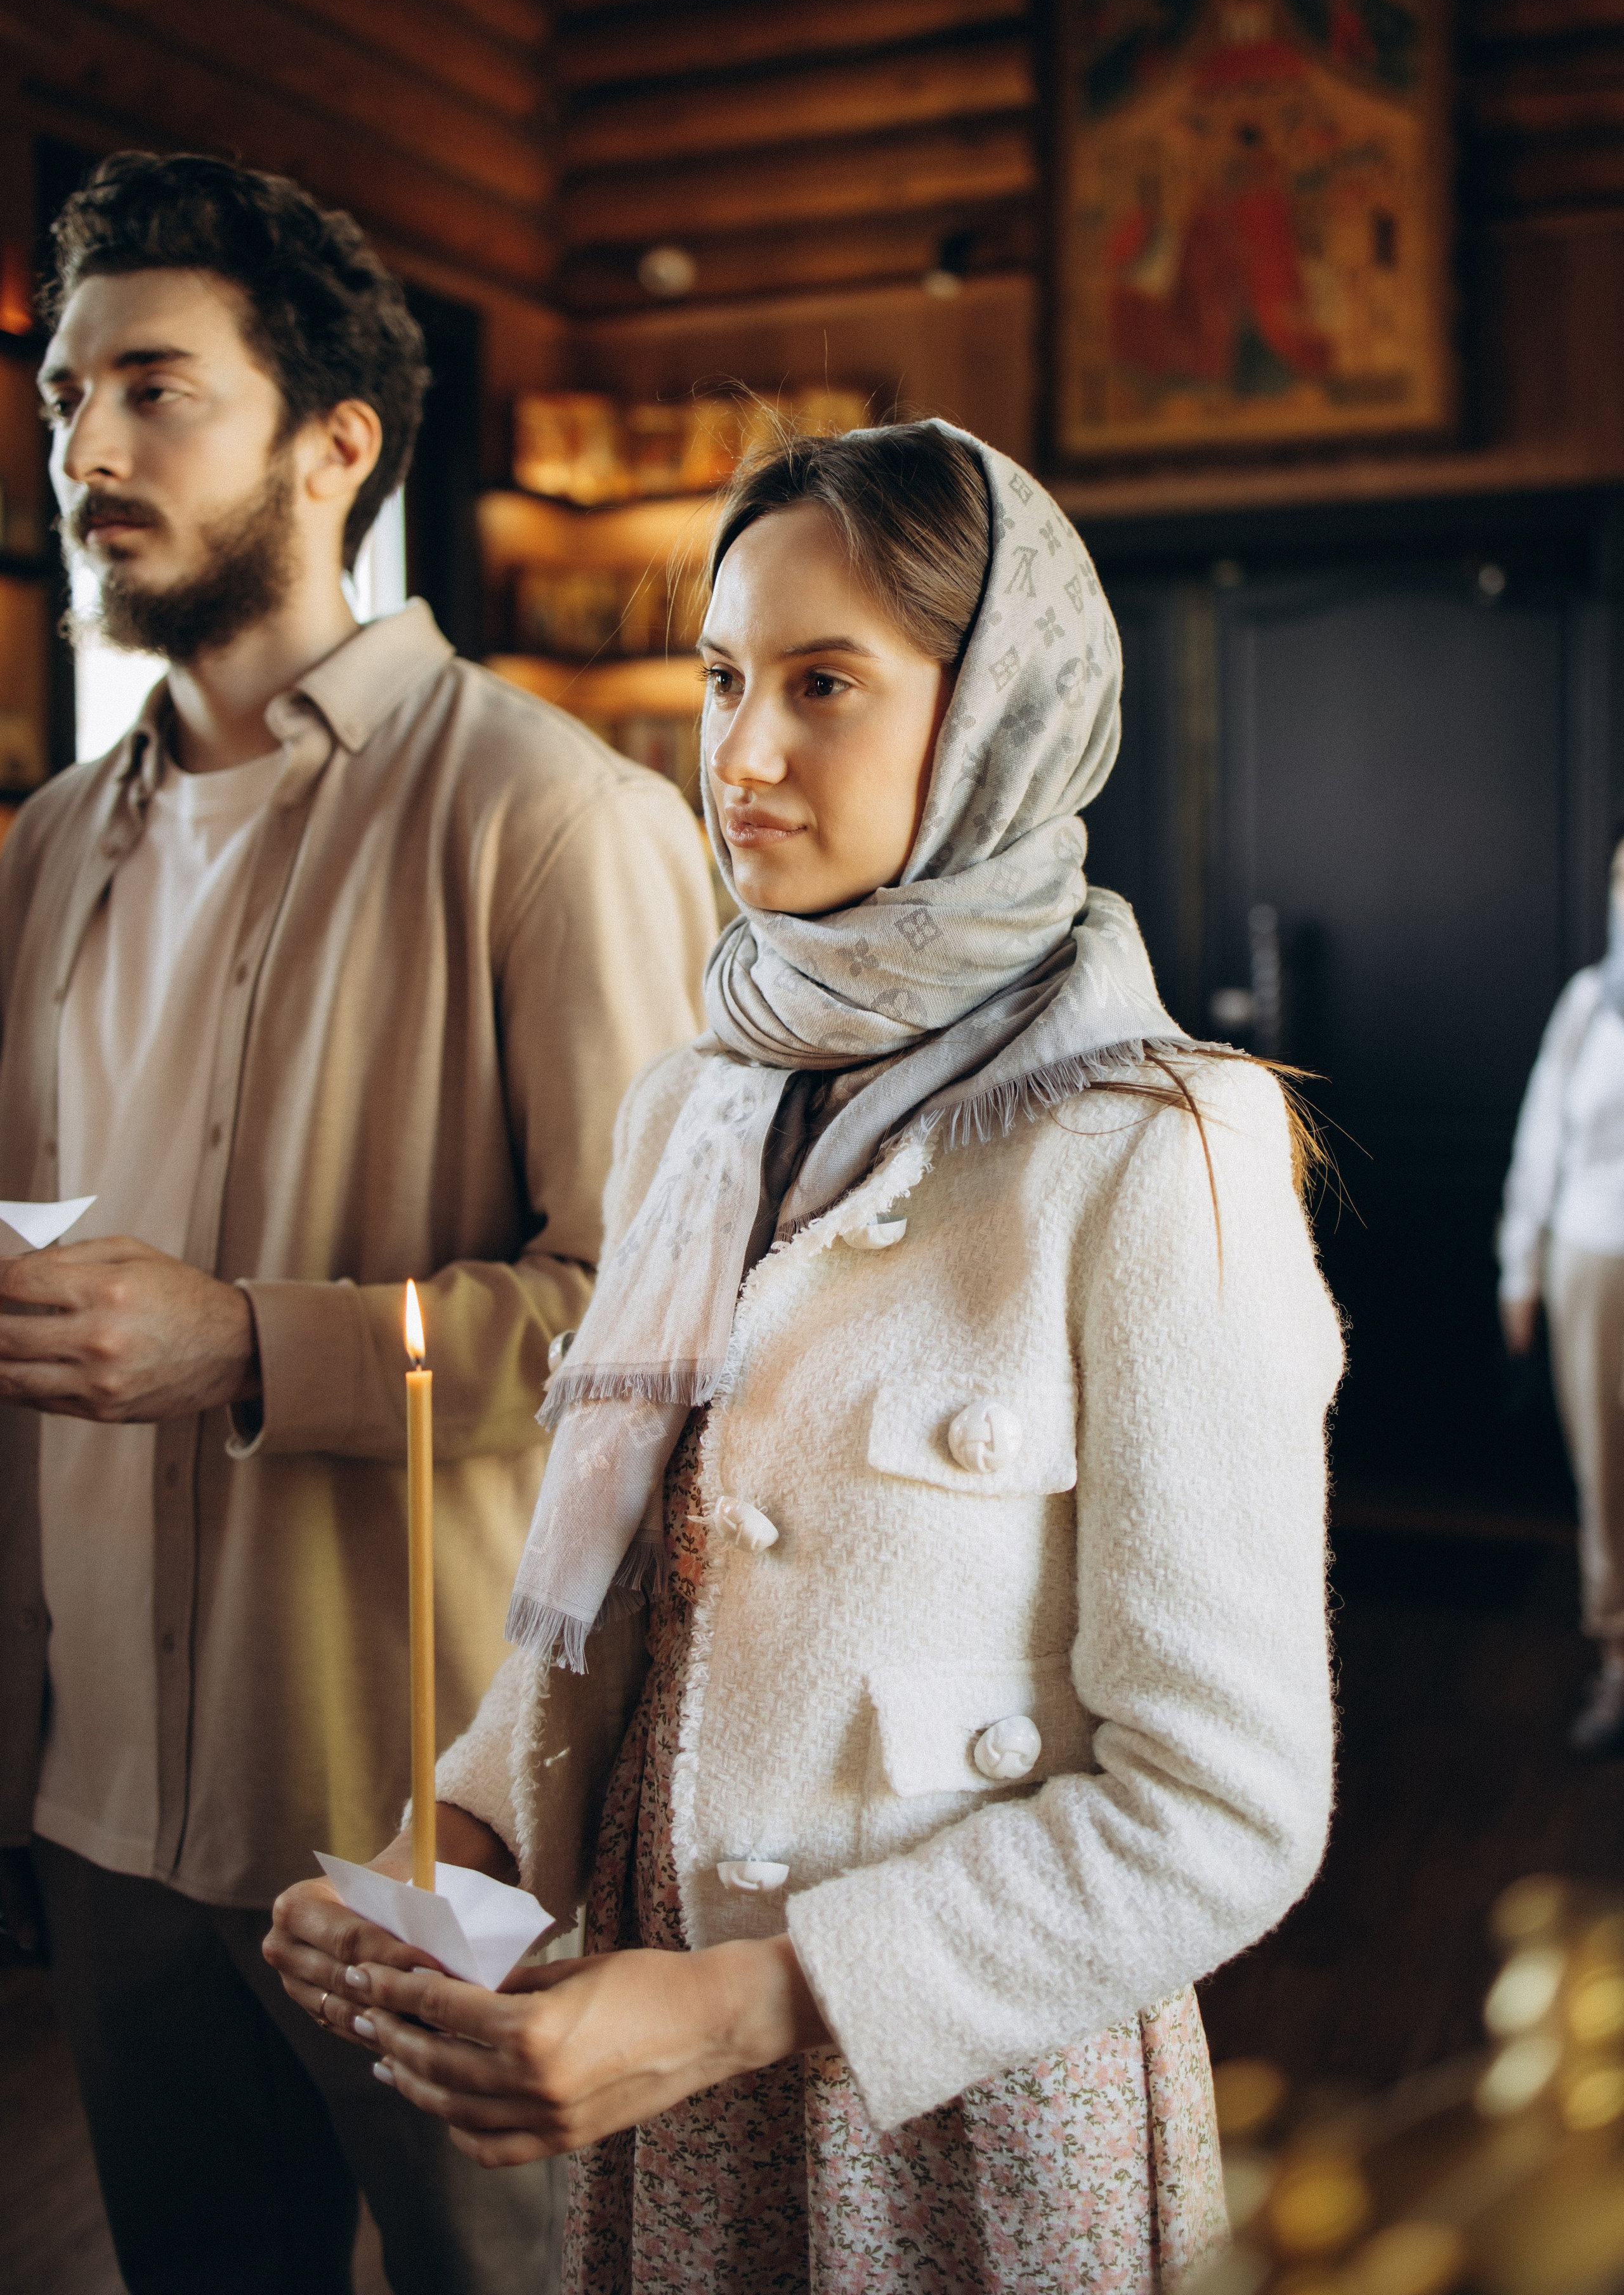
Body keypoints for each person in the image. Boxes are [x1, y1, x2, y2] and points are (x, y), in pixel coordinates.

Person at [267, 419, 1343, 2293]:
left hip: (956, 2110)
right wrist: (452, 1843)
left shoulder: (1159, 1145)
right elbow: (627, 1606)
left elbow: (1225, 1813)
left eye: (825, 683)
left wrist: (755, 2002)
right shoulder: (695, 1100)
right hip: (650, 2062)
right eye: (722, 678)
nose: (740, 754)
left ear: (998, 715)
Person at [0, 152, 714, 2295]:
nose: (85, 451)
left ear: (337, 444)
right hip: (99, 1816)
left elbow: (663, 1333)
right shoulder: (37, 853)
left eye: (154, 391)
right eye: (58, 400)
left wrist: (246, 1344)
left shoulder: (550, 816)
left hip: (434, 1818)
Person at [1500, 828, 1624, 1755]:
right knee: (1606, 1470)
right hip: (1594, 1260)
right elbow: (1542, 1137)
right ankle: (1618, 1658)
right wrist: (1522, 1267)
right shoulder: (1589, 1004)